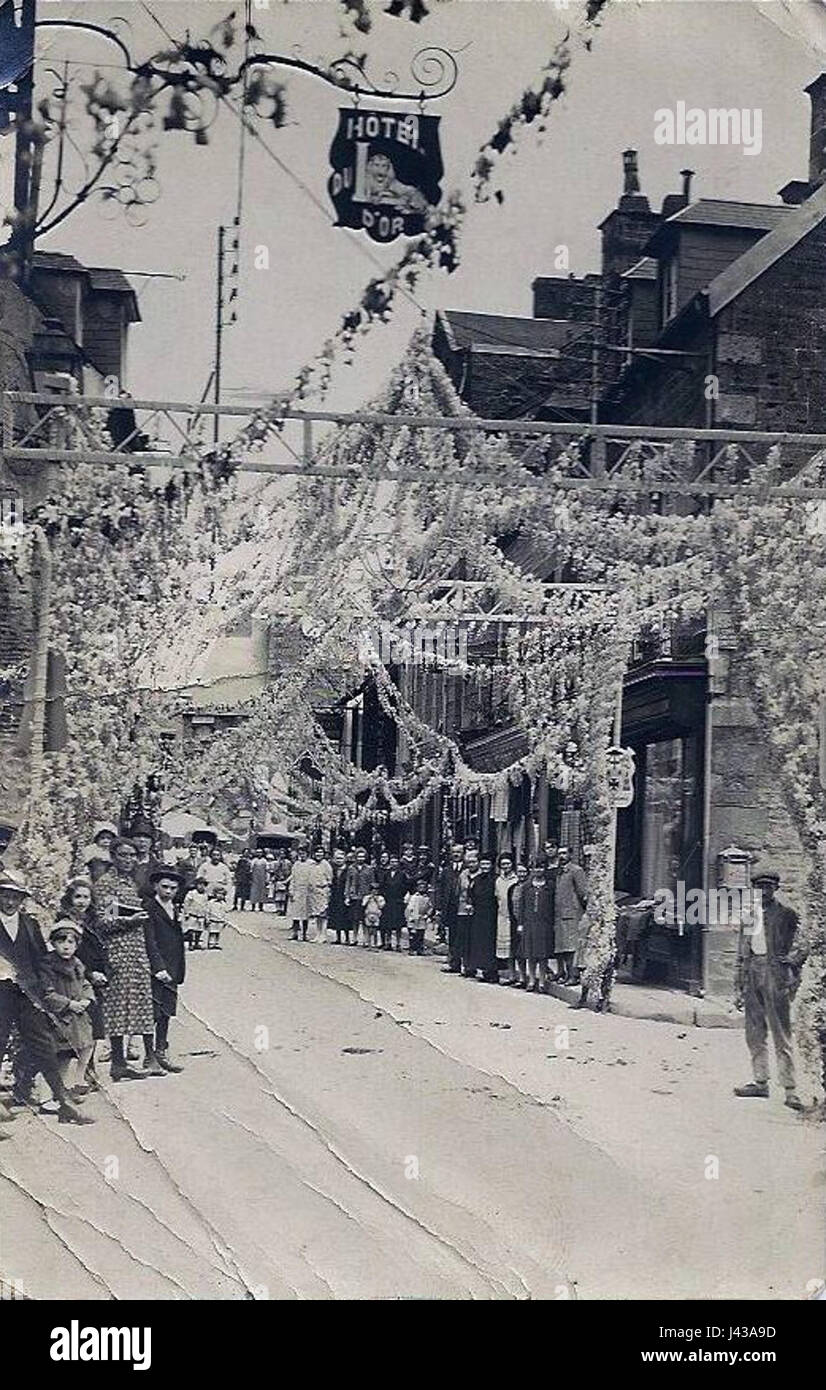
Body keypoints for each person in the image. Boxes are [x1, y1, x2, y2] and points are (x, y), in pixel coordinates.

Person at [0, 868, 91, 1126]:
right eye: (4, 895)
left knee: (45, 1047)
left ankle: (64, 1104)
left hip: (28, 996)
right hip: (0, 996)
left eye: (15, 897)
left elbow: (41, 959)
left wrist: (52, 987)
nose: (9, 902)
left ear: (22, 899)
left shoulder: (29, 924)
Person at [734, 864, 805, 1111]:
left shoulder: (787, 914)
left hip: (775, 973)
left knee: (780, 1030)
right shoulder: (749, 915)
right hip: (752, 969)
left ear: (775, 888)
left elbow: (804, 940)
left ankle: (790, 1089)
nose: (763, 891)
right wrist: (739, 982)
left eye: (768, 887)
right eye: (759, 887)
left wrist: (793, 960)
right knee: (754, 1030)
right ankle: (760, 1081)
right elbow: (742, 950)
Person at [92, 838, 165, 1081]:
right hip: (118, 949)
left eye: (132, 855)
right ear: (113, 856)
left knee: (142, 1001)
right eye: (123, 855)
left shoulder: (133, 882)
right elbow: (103, 921)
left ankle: (149, 1057)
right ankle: (118, 1061)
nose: (128, 859)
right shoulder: (107, 884)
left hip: (137, 949)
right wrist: (129, 920)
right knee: (117, 1005)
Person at [39, 922, 97, 1105]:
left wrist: (87, 999)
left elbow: (85, 983)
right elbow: (47, 993)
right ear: (53, 943)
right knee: (56, 1056)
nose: (66, 946)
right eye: (61, 941)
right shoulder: (48, 964)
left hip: (77, 1015)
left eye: (71, 942)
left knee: (82, 1047)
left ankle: (68, 1087)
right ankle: (46, 1096)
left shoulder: (77, 963)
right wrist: (69, 1004)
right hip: (59, 1015)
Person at [59, 876, 108, 1089]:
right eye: (77, 896)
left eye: (86, 897)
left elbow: (103, 948)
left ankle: (88, 1068)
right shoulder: (63, 920)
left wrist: (103, 972)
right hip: (72, 977)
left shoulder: (94, 920)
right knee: (74, 1026)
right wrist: (88, 973)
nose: (82, 901)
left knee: (95, 1026)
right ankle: (73, 1075)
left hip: (96, 979)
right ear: (70, 898)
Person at [144, 866, 186, 1071]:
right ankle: (149, 1055)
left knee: (166, 1011)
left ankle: (161, 1050)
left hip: (173, 967)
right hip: (157, 968)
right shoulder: (149, 908)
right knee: (152, 1012)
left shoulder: (175, 908)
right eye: (164, 887)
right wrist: (157, 966)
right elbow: (149, 941)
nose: (168, 891)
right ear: (155, 886)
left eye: (173, 888)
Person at [515, 862, 554, 992]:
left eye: (541, 867)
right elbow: (521, 907)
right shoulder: (527, 887)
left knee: (542, 955)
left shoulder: (549, 886)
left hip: (544, 924)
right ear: (532, 869)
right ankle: (531, 980)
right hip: (529, 923)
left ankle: (542, 981)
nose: (538, 870)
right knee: (530, 954)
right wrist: (520, 924)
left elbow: (553, 907)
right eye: (535, 867)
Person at [554, 847, 589, 984]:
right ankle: (566, 974)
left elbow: (582, 892)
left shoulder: (576, 870)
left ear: (570, 854)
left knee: (572, 946)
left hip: (572, 913)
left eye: (564, 853)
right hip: (560, 913)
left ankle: (574, 976)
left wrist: (583, 910)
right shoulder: (559, 871)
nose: (561, 856)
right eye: (559, 854)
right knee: (563, 947)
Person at [465, 855, 497, 981]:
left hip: (491, 914)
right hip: (478, 914)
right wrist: (470, 904)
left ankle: (492, 972)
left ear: (492, 865)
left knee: (490, 943)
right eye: (482, 864)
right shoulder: (476, 879)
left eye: (487, 864)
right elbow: (470, 894)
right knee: (480, 943)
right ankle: (483, 970)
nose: (485, 867)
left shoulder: (496, 879)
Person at [437, 844, 464, 973]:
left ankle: (465, 964)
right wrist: (439, 907)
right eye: (454, 852)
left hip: (463, 908)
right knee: (452, 936)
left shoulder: (466, 869)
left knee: (463, 935)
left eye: (459, 852)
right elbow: (441, 890)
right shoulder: (446, 871)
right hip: (450, 908)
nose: (456, 854)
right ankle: (454, 963)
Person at [494, 853, 519, 984]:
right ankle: (511, 974)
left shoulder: (516, 879)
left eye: (508, 863)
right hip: (502, 916)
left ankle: (519, 975)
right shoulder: (498, 881)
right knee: (507, 949)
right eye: (503, 864)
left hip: (514, 917)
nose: (506, 866)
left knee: (516, 947)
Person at [454, 846, 478, 975]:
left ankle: (473, 965)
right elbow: (458, 892)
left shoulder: (480, 875)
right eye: (469, 862)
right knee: (463, 938)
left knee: (474, 939)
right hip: (462, 910)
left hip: (476, 911)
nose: (471, 864)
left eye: (474, 861)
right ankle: (465, 965)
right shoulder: (463, 875)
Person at [345, 847, 375, 946]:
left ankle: (365, 939)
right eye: (359, 856)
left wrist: (371, 895)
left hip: (365, 896)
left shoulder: (369, 869)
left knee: (364, 919)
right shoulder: (351, 868)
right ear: (355, 857)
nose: (360, 859)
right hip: (354, 896)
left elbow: (372, 883)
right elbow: (348, 882)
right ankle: (354, 937)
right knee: (355, 919)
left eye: (362, 857)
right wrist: (347, 895)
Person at [378, 854, 406, 951]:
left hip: (398, 900)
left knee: (398, 924)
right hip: (388, 900)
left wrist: (403, 897)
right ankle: (388, 942)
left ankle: (398, 944)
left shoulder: (402, 874)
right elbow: (383, 886)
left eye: (395, 862)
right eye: (392, 862)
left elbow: (405, 887)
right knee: (388, 923)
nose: (394, 864)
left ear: (398, 863)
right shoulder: (386, 874)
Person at [307, 844, 333, 943]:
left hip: (323, 890)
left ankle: (323, 934)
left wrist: (325, 887)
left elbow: (330, 878)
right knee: (317, 914)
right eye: (317, 852)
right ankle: (317, 934)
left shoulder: (326, 865)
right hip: (314, 892)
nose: (319, 854)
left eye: (321, 852)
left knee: (324, 914)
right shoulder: (312, 865)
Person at [287, 842, 313, 941]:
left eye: (303, 853)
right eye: (300, 853)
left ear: (307, 854)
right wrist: (291, 890)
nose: (302, 855)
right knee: (296, 913)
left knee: (305, 914)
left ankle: (305, 934)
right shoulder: (296, 864)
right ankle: (295, 933)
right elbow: (293, 878)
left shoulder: (311, 864)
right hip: (297, 891)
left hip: (307, 891)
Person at [328, 849, 351, 944]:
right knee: (336, 916)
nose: (339, 860)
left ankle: (347, 938)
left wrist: (348, 895)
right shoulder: (333, 869)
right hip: (335, 896)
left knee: (345, 917)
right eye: (337, 858)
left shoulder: (348, 870)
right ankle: (338, 938)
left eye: (341, 858)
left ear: (345, 859)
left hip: (344, 896)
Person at [405, 878, 432, 956]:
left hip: (422, 918)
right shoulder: (414, 897)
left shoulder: (427, 898)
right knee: (413, 935)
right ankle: (412, 949)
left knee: (420, 934)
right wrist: (410, 917)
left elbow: (430, 907)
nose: (422, 889)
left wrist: (427, 915)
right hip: (413, 917)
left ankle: (420, 949)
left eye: (423, 887)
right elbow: (410, 908)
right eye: (420, 887)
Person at [182, 873, 210, 950]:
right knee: (191, 930)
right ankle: (191, 944)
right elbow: (186, 903)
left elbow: (206, 906)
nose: (201, 887)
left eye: (203, 885)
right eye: (199, 885)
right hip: (192, 914)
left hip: (201, 915)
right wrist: (186, 913)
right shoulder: (192, 893)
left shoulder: (205, 895)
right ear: (196, 885)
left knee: (199, 930)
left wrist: (207, 917)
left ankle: (196, 943)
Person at [206, 882, 230, 948]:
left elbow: (225, 912)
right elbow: (208, 911)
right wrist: (207, 918)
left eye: (222, 894)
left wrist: (226, 920)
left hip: (220, 920)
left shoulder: (224, 904)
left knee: (218, 933)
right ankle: (211, 943)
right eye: (218, 894)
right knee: (212, 932)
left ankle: (216, 943)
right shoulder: (211, 902)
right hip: (212, 919)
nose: (220, 896)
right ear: (215, 894)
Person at [249, 849, 269, 913]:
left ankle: (261, 907)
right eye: (258, 852)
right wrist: (251, 878)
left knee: (262, 893)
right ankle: (253, 907)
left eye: (260, 852)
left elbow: (267, 871)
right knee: (254, 892)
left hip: (262, 879)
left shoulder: (264, 861)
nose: (259, 854)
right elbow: (251, 870)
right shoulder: (254, 860)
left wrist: (267, 879)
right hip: (255, 879)